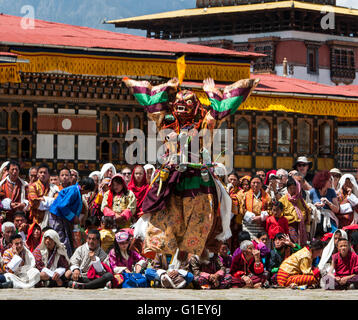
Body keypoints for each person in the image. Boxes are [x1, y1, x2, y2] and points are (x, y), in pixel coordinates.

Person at [49, 177, 96, 258]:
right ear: (84, 187)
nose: (87, 193)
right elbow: (62, 206)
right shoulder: (73, 191)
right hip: (58, 218)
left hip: (64, 218)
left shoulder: (76, 191)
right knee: (60, 240)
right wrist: (73, 217)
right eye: (87, 191)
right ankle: (61, 259)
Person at [238, 175, 272, 240]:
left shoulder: (267, 196)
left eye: (258, 183)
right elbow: (241, 209)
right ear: (250, 184)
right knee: (249, 244)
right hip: (249, 224)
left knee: (261, 244)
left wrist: (261, 217)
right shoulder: (244, 195)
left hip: (261, 224)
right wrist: (251, 216)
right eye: (253, 183)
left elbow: (270, 209)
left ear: (262, 184)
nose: (256, 185)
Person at [280, 177, 311, 246]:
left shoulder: (300, 199)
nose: (292, 190)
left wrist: (307, 229)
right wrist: (293, 218)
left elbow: (307, 212)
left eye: (294, 188)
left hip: (301, 227)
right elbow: (280, 215)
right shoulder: (283, 200)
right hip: (290, 226)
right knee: (294, 243)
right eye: (290, 188)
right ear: (287, 189)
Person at [27, 163, 59, 229]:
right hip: (37, 220)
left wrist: (44, 199)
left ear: (49, 175)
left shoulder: (54, 187)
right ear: (38, 174)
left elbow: (57, 201)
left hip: (51, 219)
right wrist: (50, 201)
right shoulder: (32, 186)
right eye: (41, 172)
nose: (42, 174)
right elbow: (34, 203)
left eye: (45, 172)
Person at [310, 171, 340, 237]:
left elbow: (337, 209)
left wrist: (329, 203)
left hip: (329, 219)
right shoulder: (312, 191)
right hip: (316, 218)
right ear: (322, 181)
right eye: (329, 180)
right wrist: (314, 206)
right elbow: (307, 205)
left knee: (335, 233)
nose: (331, 182)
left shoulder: (332, 192)